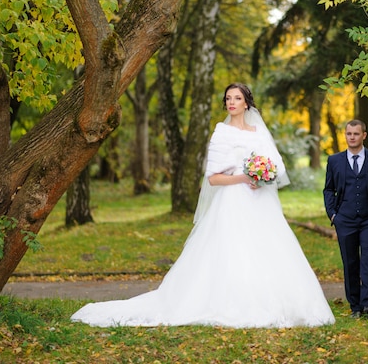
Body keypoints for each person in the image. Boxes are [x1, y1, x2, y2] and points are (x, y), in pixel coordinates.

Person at [71, 82, 335, 328]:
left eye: (237, 98)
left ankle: (279, 303)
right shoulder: (221, 133)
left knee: (268, 250)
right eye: (228, 99)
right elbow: (214, 177)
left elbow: (275, 167)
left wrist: (262, 178)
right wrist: (244, 177)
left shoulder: (259, 133)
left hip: (261, 203)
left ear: (246, 103)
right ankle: (229, 304)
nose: (232, 102)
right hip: (232, 202)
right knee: (232, 252)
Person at [323, 119, 368, 319]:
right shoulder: (334, 160)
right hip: (345, 219)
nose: (352, 137)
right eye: (348, 134)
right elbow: (329, 189)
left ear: (364, 135)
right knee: (350, 262)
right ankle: (355, 306)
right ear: (345, 135)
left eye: (356, 133)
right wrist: (333, 214)